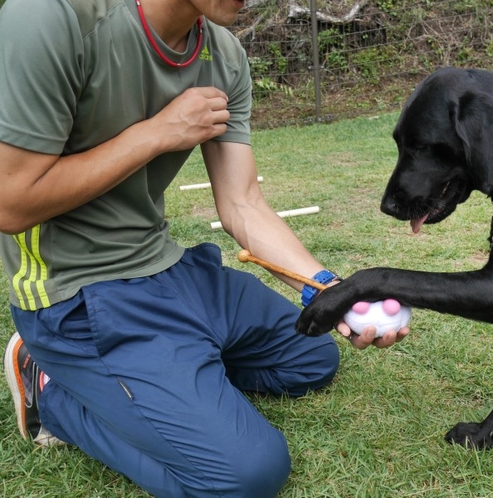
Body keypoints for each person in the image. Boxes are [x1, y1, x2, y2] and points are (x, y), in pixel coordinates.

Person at [0, 0, 409, 496]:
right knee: (244, 477)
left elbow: (242, 203)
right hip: (80, 294)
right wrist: (156, 134)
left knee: (312, 357)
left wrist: (328, 289)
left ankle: (169, 376)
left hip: (168, 268)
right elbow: (11, 203)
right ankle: (50, 389)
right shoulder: (51, 18)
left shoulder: (224, 55)